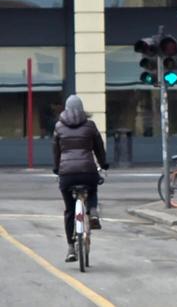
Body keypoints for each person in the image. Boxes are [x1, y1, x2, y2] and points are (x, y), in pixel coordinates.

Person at [53, 95, 109, 263]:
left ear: (66, 109)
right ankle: (92, 211)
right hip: (87, 170)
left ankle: (71, 248)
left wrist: (57, 168)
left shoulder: (59, 127)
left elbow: (56, 151)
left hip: (67, 174)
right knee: (92, 186)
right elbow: (99, 148)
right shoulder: (90, 126)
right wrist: (103, 164)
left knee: (70, 210)